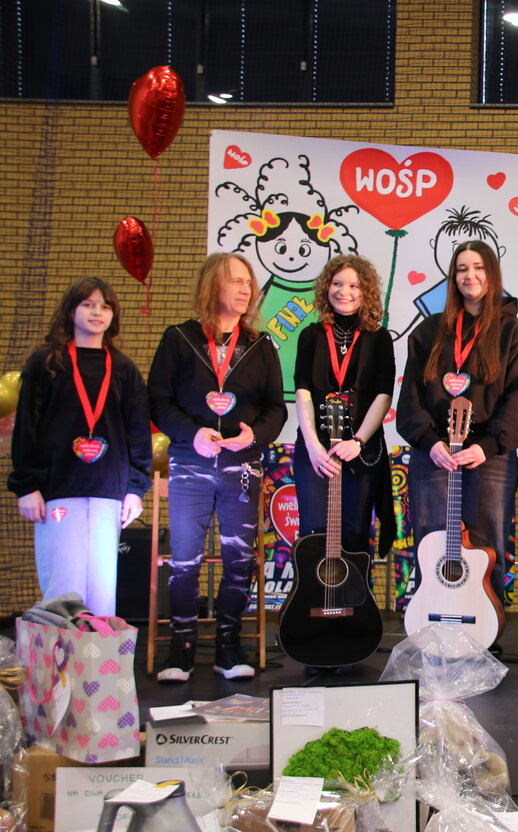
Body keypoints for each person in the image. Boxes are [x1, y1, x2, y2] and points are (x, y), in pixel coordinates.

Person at [148, 252, 286, 682]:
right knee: (185, 559)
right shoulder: (179, 338)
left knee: (239, 558)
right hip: (190, 465)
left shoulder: (261, 345)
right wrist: (192, 434)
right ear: (213, 285)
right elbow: (158, 401)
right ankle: (181, 647)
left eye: (249, 282)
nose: (246, 289)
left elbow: (276, 409)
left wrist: (254, 436)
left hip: (241, 468)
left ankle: (229, 644)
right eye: (235, 281)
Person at [397, 240, 518, 634]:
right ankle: (431, 630)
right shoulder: (429, 332)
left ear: (492, 274)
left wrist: (486, 446)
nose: (469, 276)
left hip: (489, 456)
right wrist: (430, 442)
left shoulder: (515, 334)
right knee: (430, 542)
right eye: (461, 269)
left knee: (487, 544)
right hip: (435, 454)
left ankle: (483, 634)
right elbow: (410, 396)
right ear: (452, 276)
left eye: (478, 268)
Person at [9, 277, 151, 615]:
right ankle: (61, 651)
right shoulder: (46, 363)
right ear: (70, 311)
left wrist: (135, 489)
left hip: (108, 492)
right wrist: (26, 486)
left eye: (105, 306)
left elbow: (138, 433)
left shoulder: (123, 368)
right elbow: (27, 428)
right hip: (59, 489)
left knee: (102, 590)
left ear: (113, 315)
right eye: (88, 304)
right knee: (64, 586)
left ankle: (98, 650)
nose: (96, 312)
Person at [292, 255, 395, 563]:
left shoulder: (379, 338)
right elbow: (302, 390)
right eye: (337, 284)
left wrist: (358, 441)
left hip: (361, 449)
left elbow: (384, 395)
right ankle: (313, 596)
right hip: (316, 448)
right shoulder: (310, 336)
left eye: (354, 286)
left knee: (354, 535)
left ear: (366, 292)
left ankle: (355, 596)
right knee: (313, 534)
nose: (344, 292)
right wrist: (312, 445)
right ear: (326, 287)